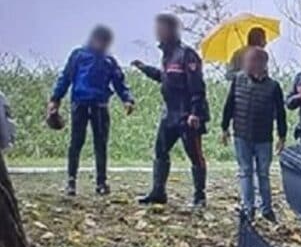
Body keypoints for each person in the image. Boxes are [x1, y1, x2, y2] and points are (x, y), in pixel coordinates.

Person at [132, 14, 210, 208]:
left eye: (160, 28)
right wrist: (145, 69)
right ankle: (158, 191)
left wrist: (195, 113)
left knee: (194, 154)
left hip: (187, 114)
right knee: (160, 150)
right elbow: (165, 78)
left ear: (171, 30)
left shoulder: (187, 55)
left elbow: (197, 86)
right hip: (170, 113)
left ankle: (199, 196)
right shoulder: (167, 54)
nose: (157, 32)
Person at [48, 26, 135, 196]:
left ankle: (101, 182)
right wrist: (55, 99)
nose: (103, 45)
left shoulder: (109, 60)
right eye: (102, 41)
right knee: (76, 142)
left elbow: (119, 82)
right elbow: (65, 78)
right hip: (80, 104)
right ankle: (71, 182)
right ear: (94, 39)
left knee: (100, 144)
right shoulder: (78, 56)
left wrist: (127, 99)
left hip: (100, 106)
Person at [220, 47, 287, 222]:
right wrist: (224, 128)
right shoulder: (238, 80)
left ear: (262, 64)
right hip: (241, 134)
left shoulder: (273, 86)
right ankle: (248, 208)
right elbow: (229, 105)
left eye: (251, 60)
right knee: (245, 171)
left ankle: (266, 209)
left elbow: (281, 113)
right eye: (246, 60)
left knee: (263, 173)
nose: (247, 64)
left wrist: (282, 136)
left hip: (264, 137)